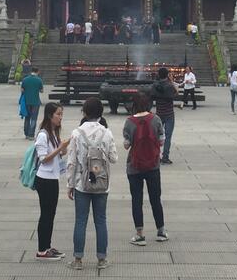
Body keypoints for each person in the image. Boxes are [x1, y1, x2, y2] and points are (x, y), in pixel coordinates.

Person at [65, 97, 118, 271]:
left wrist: (70, 184)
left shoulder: (77, 133)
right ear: (101, 113)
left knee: (80, 221)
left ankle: (78, 259)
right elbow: (114, 158)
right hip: (102, 184)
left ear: (85, 112)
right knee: (101, 221)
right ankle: (102, 259)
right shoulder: (107, 133)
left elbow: (71, 162)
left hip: (82, 183)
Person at [123, 93, 168, 246]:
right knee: (156, 198)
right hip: (153, 165)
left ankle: (140, 234)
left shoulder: (129, 122)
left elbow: (126, 144)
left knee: (137, 200)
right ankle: (161, 231)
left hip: (134, 166)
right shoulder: (156, 119)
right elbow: (162, 140)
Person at [34, 102, 70, 260]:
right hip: (44, 179)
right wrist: (59, 148)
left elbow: (59, 155)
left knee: (51, 214)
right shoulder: (43, 134)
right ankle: (42, 250)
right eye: (58, 114)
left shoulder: (53, 133)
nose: (60, 117)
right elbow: (44, 159)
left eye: (61, 114)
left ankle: (47, 246)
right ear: (50, 115)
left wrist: (63, 148)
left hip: (53, 178)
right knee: (46, 214)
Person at [150, 67, 177, 164]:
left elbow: (152, 96)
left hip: (159, 113)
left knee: (157, 135)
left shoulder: (155, 85)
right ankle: (165, 156)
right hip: (169, 113)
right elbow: (175, 93)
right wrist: (171, 81)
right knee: (168, 136)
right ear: (167, 75)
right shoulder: (169, 85)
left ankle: (156, 156)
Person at [21, 67, 44, 140]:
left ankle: (26, 133)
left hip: (27, 101)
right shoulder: (39, 80)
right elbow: (41, 90)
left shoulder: (25, 79)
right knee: (34, 119)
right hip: (35, 102)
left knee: (27, 117)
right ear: (38, 72)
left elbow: (22, 90)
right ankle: (31, 135)